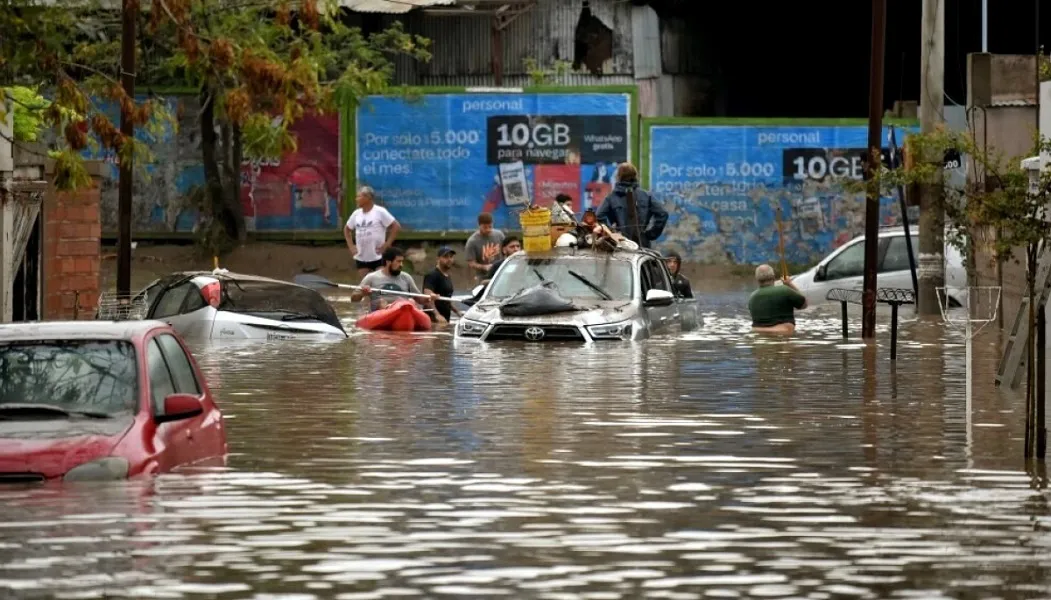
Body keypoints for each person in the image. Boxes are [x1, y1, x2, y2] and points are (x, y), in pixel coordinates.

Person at [595, 162, 667, 249]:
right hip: (643, 244)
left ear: (619, 176)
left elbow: (598, 216)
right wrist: (651, 234)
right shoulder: (646, 196)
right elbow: (663, 213)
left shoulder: (611, 197)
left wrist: (611, 233)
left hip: (620, 243)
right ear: (635, 175)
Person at [352, 247, 436, 312]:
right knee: (381, 302)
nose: (401, 265)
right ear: (388, 262)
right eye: (398, 261)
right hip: (381, 311)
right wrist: (362, 294)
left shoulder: (406, 277)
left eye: (402, 261)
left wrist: (429, 298)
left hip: (403, 310)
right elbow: (353, 298)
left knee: (411, 301)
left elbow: (420, 299)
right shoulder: (371, 277)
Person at [344, 186, 400, 280]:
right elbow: (347, 230)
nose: (356, 199)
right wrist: (351, 246)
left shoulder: (380, 211)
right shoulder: (356, 214)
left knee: (380, 282)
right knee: (367, 285)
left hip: (378, 256)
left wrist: (387, 244)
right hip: (362, 257)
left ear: (368, 198)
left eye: (359, 196)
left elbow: (396, 226)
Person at [747, 264, 807, 335]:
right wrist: (789, 284)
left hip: (758, 333)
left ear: (757, 279)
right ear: (773, 277)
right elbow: (804, 304)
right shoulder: (785, 290)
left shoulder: (752, 297)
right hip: (783, 334)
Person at [422, 246, 460, 325]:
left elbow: (446, 299)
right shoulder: (432, 275)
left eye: (451, 257)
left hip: (445, 319)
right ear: (438, 259)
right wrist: (437, 314)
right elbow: (427, 296)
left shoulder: (447, 276)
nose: (449, 259)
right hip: (433, 320)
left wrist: (457, 312)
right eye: (445, 257)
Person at [465, 212, 505, 280]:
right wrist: (484, 267)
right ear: (479, 225)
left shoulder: (499, 235)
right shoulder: (472, 241)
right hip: (483, 277)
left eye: (490, 227)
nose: (488, 229)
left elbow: (505, 251)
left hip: (500, 274)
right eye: (485, 227)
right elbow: (471, 263)